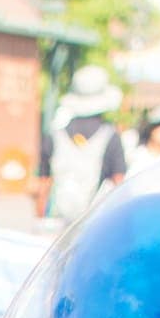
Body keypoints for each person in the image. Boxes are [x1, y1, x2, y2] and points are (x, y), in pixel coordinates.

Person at [49, 65, 126, 224]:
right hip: (93, 222)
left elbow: (43, 183)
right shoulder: (111, 136)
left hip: (58, 220)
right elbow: (119, 182)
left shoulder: (55, 135)